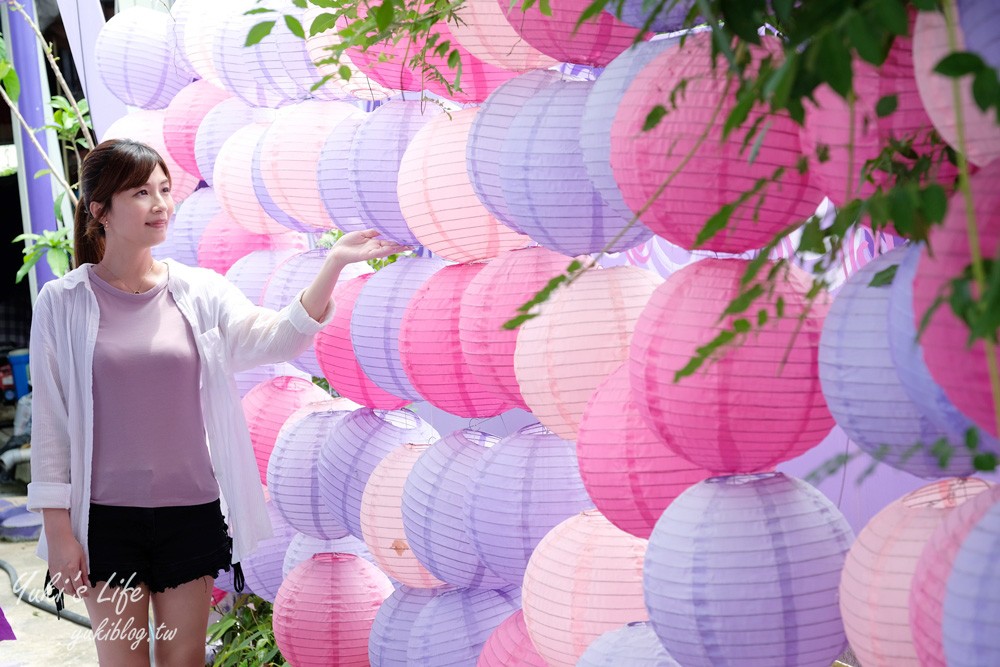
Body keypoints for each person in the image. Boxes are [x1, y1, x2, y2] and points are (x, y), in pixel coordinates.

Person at [25, 138, 406, 666]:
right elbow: (51, 426)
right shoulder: (62, 302)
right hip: (104, 521)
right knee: (123, 661)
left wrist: (334, 264)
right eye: (141, 192)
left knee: (185, 660)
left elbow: (277, 339)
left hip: (191, 513)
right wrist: (59, 533)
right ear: (100, 211)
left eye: (164, 189)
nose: (161, 203)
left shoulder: (199, 291)